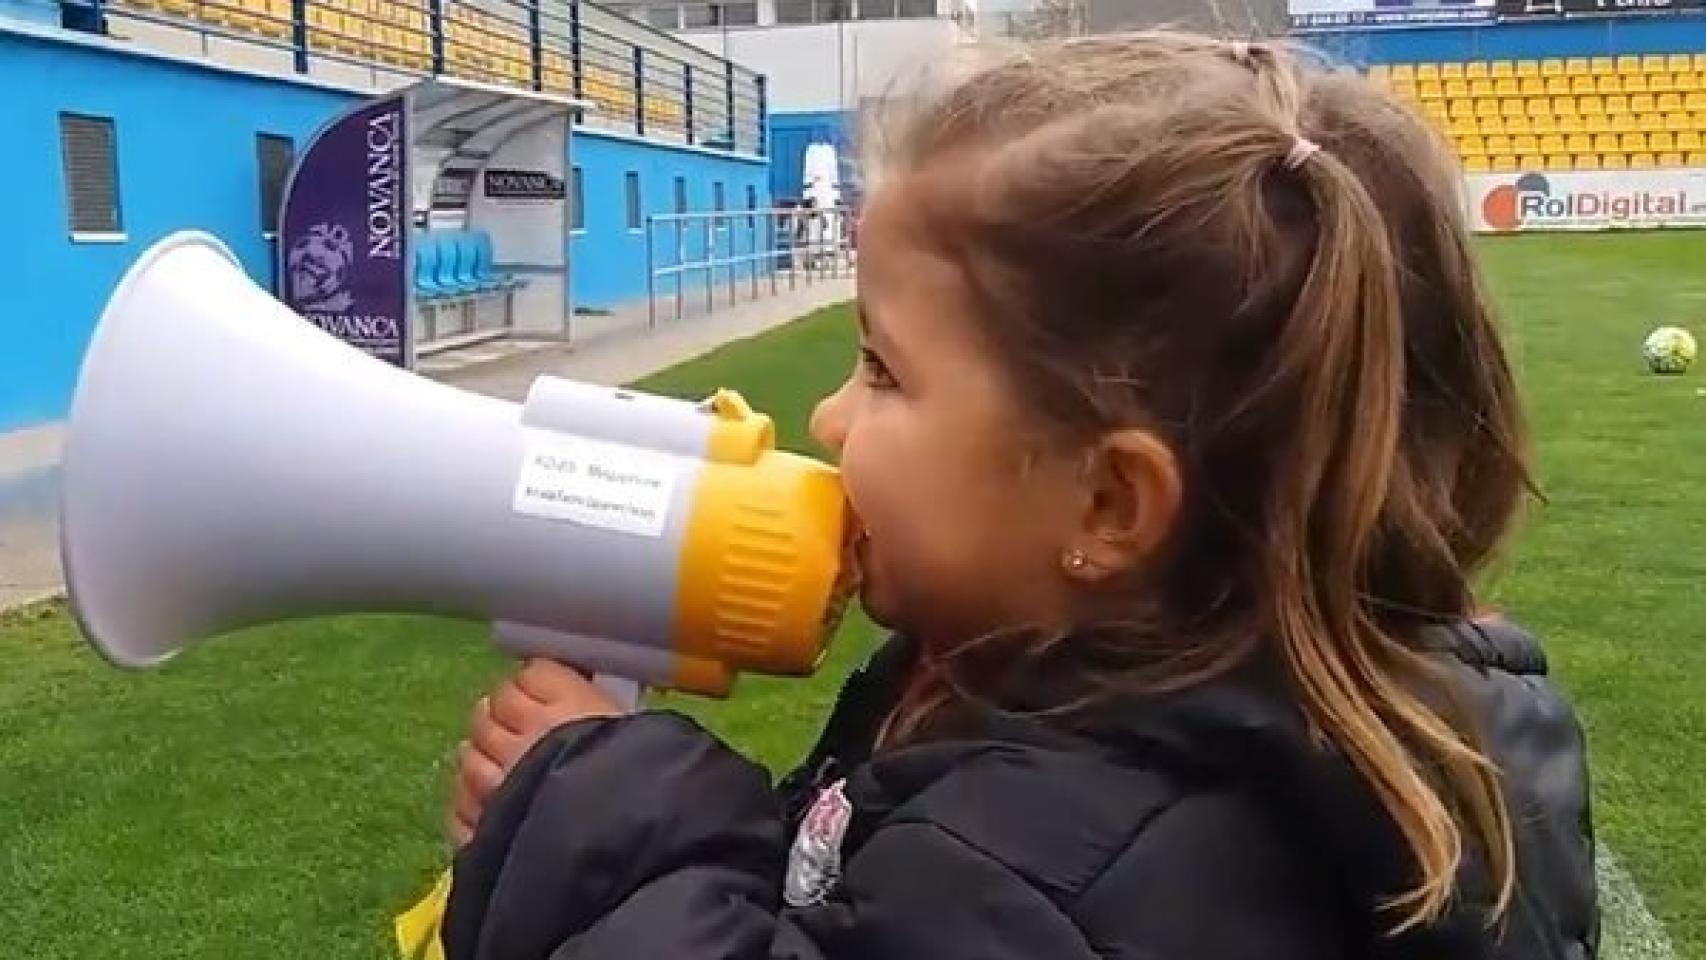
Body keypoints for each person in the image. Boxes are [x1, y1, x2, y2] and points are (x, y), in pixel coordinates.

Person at [432, 30, 1597, 960]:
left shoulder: (1065, 877)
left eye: (883, 370)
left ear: (1106, 506)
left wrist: (602, 823)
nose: (830, 421)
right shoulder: (1034, 683)